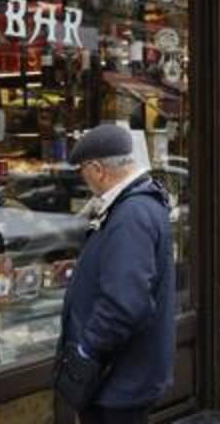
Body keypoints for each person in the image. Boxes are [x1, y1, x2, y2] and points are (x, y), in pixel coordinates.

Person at [55, 124, 176, 423]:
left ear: (98, 169)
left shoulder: (132, 214)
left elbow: (124, 303)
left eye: (83, 169)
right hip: (123, 377)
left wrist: (86, 351)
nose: (84, 179)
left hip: (118, 382)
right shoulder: (137, 204)